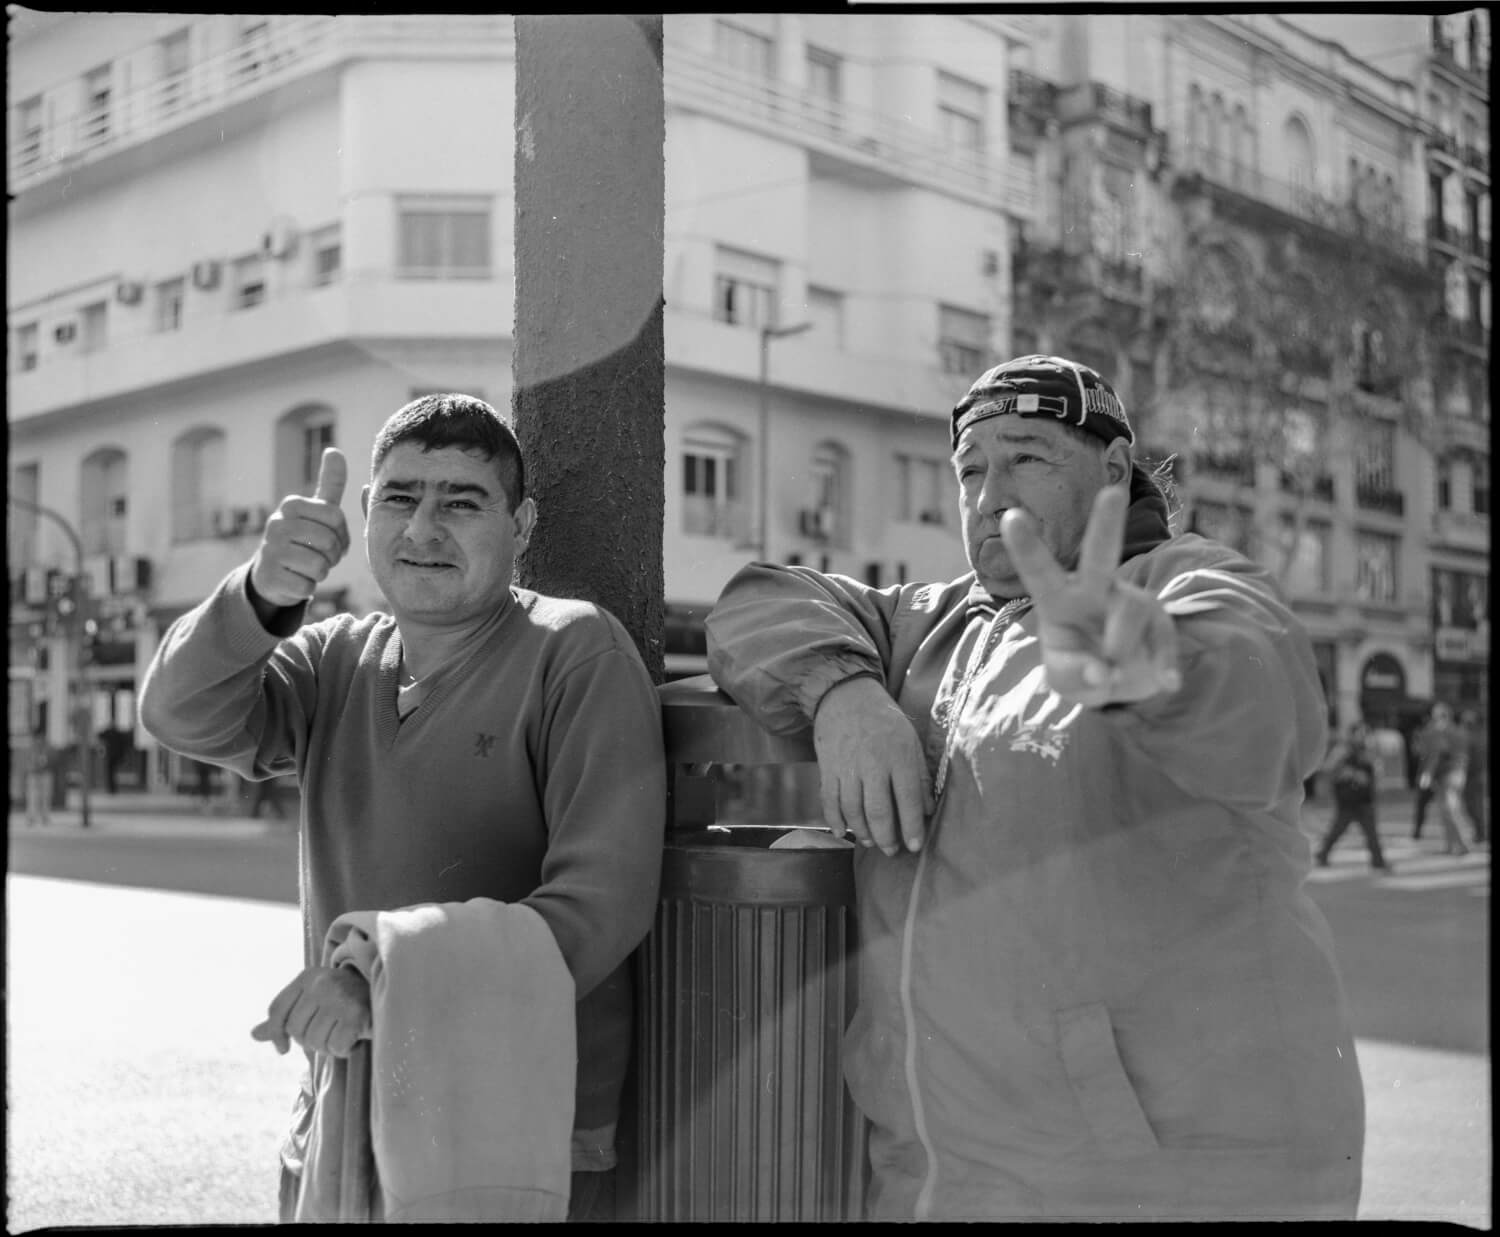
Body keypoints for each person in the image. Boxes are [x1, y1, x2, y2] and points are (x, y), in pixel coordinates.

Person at [706, 354, 1364, 1221]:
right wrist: (842, 692)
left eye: (1027, 458)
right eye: (971, 469)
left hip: (1163, 1181)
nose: (989, 495)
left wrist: (1138, 661)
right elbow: (760, 600)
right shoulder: (931, 622)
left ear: (1115, 470)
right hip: (939, 1179)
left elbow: (1258, 699)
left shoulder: (1191, 582)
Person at [139, 393, 665, 1221]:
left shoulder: (574, 650)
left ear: (521, 524)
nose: (423, 529)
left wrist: (383, 980)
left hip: (520, 1132)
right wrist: (259, 596)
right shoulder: (332, 656)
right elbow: (179, 712)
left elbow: (606, 898)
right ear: (364, 512)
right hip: (347, 1108)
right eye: (400, 497)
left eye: (462, 501)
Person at [1315, 721, 1387, 870]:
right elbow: (1328, 769)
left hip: (1364, 798)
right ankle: (1322, 854)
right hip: (1347, 799)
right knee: (1338, 829)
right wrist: (1350, 774)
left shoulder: (1369, 752)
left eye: (1365, 733)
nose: (1363, 737)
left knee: (1371, 832)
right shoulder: (1342, 751)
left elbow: (1376, 774)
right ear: (1352, 734)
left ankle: (1378, 861)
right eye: (1360, 733)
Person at [1416, 702, 1473, 856]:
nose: (1432, 720)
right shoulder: (1457, 731)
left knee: (1450, 810)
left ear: (1443, 717)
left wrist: (1427, 774)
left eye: (1435, 716)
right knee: (1446, 811)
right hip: (1456, 773)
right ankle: (1451, 846)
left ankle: (1462, 844)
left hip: (1448, 774)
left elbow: (1435, 754)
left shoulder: (1441, 732)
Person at [1459, 708, 1487, 845]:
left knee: (1474, 806)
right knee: (1475, 806)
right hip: (1476, 775)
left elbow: (1470, 758)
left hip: (1474, 776)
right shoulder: (1476, 735)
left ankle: (1481, 833)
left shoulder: (1473, 737)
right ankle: (1480, 833)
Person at [1410, 708, 1438, 838]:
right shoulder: (1424, 733)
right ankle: (1417, 832)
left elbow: (1418, 752)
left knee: (1447, 808)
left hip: (1436, 775)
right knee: (1422, 805)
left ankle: (1417, 832)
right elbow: (1418, 752)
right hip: (1429, 775)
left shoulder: (1434, 734)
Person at [23, 729, 52, 826]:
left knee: (45, 796)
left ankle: (45, 816)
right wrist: (34, 765)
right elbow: (28, 761)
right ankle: (31, 817)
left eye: (41, 737)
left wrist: (44, 762)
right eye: (37, 737)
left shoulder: (47, 747)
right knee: (32, 796)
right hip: (33, 774)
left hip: (45, 774)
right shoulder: (31, 747)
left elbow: (51, 760)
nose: (39, 739)